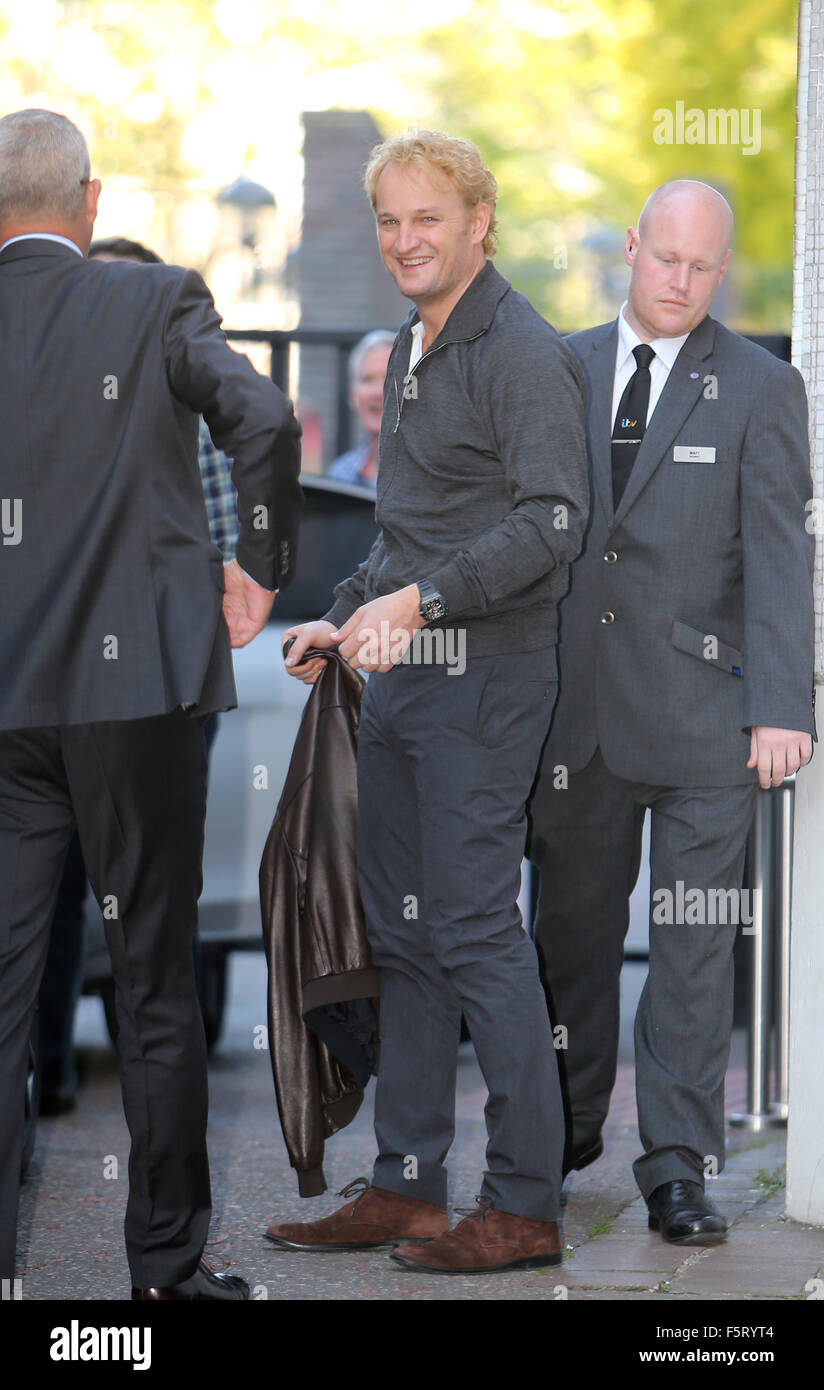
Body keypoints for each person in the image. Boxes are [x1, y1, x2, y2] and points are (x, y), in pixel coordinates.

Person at [264, 130, 589, 1274]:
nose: (406, 241)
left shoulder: (520, 351)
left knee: (472, 933)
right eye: (389, 222)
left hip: (485, 682)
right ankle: (406, 1185)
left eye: (427, 221)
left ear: (478, 222)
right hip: (400, 685)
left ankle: (523, 1203)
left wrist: (421, 600)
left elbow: (554, 522)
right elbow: (411, 531)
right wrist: (345, 612)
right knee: (402, 937)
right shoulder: (409, 346)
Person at [0, 108, 303, 1299]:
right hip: (137, 694)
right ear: (88, 202)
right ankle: (164, 1272)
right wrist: (262, 561)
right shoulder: (153, 299)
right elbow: (265, 419)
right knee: (153, 978)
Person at [527, 179, 815, 1246]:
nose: (681, 283)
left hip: (705, 718)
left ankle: (676, 1169)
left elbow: (781, 554)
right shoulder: (555, 365)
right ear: (631, 249)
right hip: (569, 720)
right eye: (665, 260)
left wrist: (780, 704)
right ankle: (550, 1140)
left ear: (719, 270)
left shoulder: (758, 386)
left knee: (692, 951)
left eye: (703, 268)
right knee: (567, 945)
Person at [36, 236, 240, 1116]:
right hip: (138, 684)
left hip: (145, 685)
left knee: (122, 893)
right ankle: (71, 1070)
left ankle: (74, 1069)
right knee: (118, 894)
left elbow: (226, 551)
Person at [327, 330, 394, 489]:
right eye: (367, 379)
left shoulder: (432, 475)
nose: (377, 393)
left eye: (389, 379)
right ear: (353, 395)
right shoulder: (340, 474)